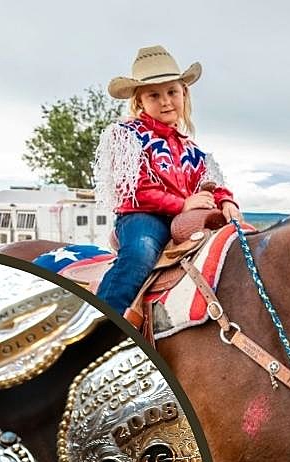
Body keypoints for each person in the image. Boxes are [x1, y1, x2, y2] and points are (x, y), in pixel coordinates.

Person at [92, 45, 244, 317]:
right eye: (154, 95)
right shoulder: (127, 135)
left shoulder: (191, 148)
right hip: (143, 217)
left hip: (185, 220)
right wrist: (182, 204)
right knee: (140, 254)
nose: (166, 101)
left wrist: (225, 200)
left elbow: (209, 181)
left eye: (172, 92)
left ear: (184, 94)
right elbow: (136, 189)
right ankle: (101, 322)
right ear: (140, 101)